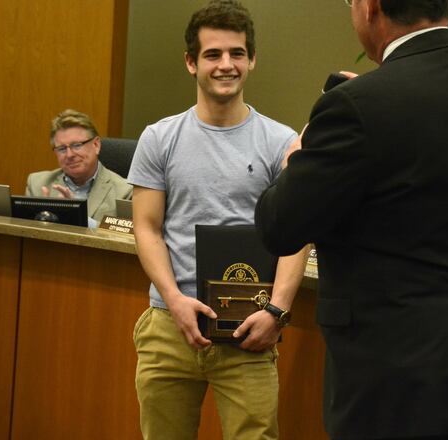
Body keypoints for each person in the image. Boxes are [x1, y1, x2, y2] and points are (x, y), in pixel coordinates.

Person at [254, 0, 448, 439]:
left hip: (388, 370)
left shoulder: (357, 107)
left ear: (371, 7)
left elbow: (280, 226)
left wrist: (297, 159)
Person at [128, 1, 308, 438]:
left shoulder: (280, 142)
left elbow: (297, 235)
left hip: (249, 330)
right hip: (170, 326)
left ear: (251, 60)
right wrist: (174, 299)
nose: (226, 65)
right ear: (192, 63)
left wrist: (278, 312)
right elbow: (147, 228)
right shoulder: (159, 138)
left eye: (236, 53)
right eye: (213, 55)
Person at [25, 109, 133, 226]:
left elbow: (123, 234)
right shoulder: (38, 184)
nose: (69, 155)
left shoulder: (124, 192)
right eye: (62, 149)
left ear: (96, 145)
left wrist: (77, 216)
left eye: (77, 145)